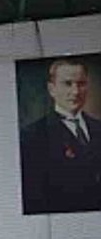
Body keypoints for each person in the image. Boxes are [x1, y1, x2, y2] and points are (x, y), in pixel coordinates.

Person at [19, 58, 100, 214]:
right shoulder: (32, 136)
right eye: (67, 84)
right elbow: (34, 197)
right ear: (52, 89)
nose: (76, 92)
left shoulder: (98, 127)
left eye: (81, 84)